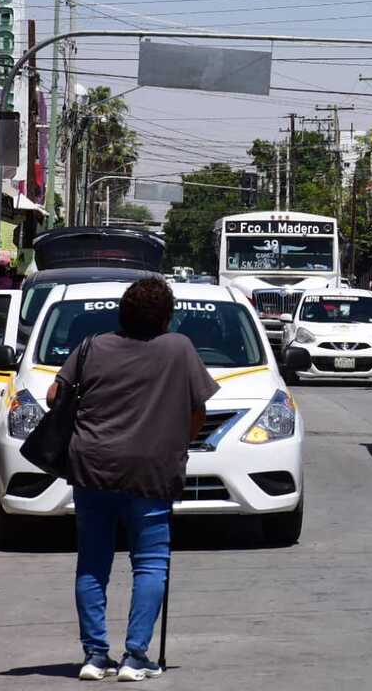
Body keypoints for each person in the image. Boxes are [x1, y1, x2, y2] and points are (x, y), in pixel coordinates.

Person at [47, 278, 219, 682]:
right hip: (151, 469)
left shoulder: (92, 346)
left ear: (121, 313)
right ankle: (135, 656)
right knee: (150, 563)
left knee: (92, 560)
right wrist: (177, 439)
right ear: (166, 317)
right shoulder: (179, 349)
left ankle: (94, 656)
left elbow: (56, 396)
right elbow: (198, 410)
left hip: (92, 466)